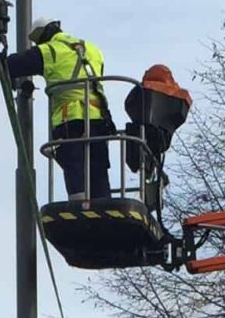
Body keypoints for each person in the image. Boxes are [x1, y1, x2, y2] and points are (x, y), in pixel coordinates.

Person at [10, 18, 114, 203]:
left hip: (70, 117)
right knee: (97, 168)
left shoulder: (49, 50)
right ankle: (103, 206)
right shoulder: (92, 49)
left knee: (74, 165)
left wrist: (1, 61)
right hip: (98, 117)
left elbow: (14, 64)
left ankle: (79, 208)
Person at [123, 62, 191, 185]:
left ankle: (148, 168)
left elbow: (129, 104)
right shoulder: (177, 99)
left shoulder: (140, 92)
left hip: (147, 137)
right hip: (155, 138)